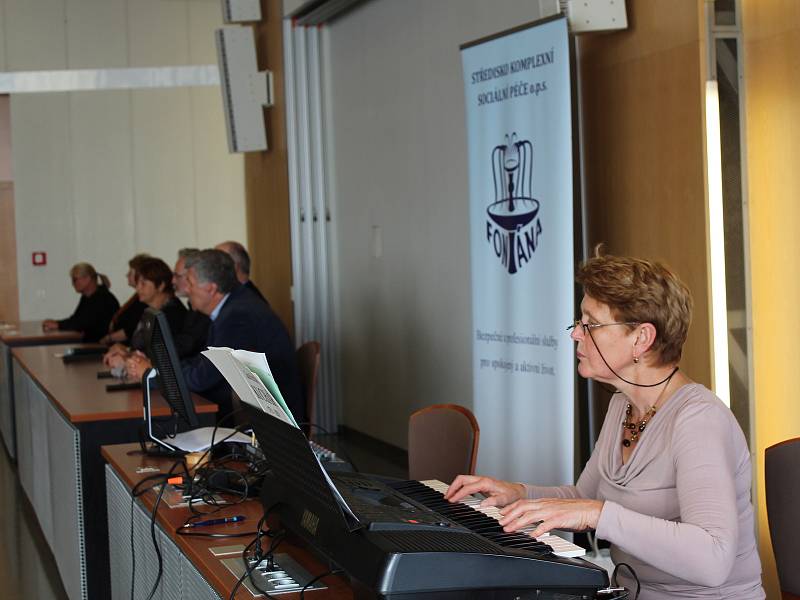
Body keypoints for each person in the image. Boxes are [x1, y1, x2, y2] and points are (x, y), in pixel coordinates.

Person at [445, 251, 764, 599]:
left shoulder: (698, 421)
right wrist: (518, 494)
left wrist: (597, 514)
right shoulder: (623, 404)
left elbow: (712, 559)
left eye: (590, 324)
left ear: (641, 339)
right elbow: (585, 498)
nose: (576, 335)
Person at [126, 249, 304, 423]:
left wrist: (152, 373)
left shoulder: (237, 316)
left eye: (190, 282)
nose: (186, 290)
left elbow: (203, 378)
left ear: (211, 289)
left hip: (270, 424)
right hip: (245, 409)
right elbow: (201, 362)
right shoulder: (232, 306)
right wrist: (157, 367)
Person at [103, 257, 186, 370]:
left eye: (143, 284)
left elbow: (161, 356)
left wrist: (126, 355)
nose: (137, 288)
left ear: (161, 285)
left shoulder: (172, 314)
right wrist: (125, 350)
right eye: (137, 284)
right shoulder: (151, 311)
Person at [42, 263, 120, 343]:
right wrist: (57, 323)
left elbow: (81, 323)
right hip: (92, 344)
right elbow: (77, 319)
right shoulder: (87, 297)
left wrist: (58, 325)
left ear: (87, 278)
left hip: (100, 347)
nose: (73, 284)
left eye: (75, 280)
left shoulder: (102, 298)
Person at [100, 253, 150, 345]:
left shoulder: (143, 301)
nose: (127, 275)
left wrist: (108, 338)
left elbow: (130, 329)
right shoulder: (136, 298)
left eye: (130, 272)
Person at [171, 248, 211, 359]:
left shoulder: (206, 311)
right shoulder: (191, 308)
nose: (173, 281)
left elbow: (187, 346)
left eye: (177, 276)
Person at [215, 240, 269, 305]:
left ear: (233, 266)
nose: (212, 268)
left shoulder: (247, 302)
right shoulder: (240, 295)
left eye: (217, 262)